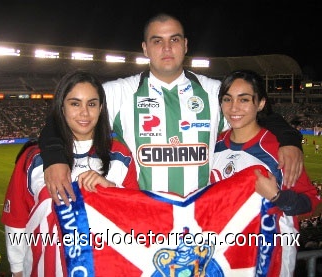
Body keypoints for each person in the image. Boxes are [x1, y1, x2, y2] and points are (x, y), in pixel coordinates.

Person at [38, 13, 303, 205]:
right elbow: (62, 116)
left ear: (185, 45)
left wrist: (290, 140)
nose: (167, 47)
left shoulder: (213, 91)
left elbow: (259, 111)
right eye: (157, 41)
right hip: (145, 217)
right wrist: (54, 157)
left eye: (174, 39)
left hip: (202, 219)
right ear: (145, 48)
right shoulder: (120, 92)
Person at [1, 70, 138, 276]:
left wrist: (111, 193)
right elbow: (16, 220)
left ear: (101, 108)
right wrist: (17, 269)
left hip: (106, 268)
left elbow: (136, 217)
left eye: (91, 104)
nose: (84, 112)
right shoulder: (34, 158)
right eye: (75, 103)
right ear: (62, 107)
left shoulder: (120, 155)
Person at [210, 69, 321, 276]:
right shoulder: (213, 146)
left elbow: (311, 202)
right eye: (227, 99)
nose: (234, 107)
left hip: (270, 259)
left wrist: (277, 197)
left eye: (244, 100)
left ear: (260, 104)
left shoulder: (277, 149)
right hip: (225, 257)